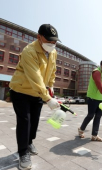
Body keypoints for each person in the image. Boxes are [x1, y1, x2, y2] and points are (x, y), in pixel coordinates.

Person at [9, 24, 61, 169]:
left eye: (54, 42)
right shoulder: (29, 51)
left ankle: (30, 142)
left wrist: (50, 87)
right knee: (25, 120)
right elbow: (35, 77)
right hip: (21, 91)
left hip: (38, 92)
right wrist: (47, 98)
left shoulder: (53, 52)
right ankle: (23, 152)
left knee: (35, 121)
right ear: (39, 37)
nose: (52, 44)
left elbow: (53, 70)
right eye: (49, 41)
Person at [78, 57, 102, 142]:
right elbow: (99, 83)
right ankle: (81, 129)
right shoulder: (96, 72)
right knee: (90, 115)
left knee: (98, 117)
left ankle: (94, 135)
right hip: (93, 98)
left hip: (101, 99)